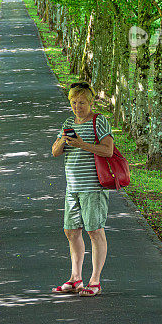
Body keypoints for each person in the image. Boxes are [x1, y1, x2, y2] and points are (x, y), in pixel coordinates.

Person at [51, 81, 113, 296]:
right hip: (73, 187)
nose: (78, 106)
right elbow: (55, 152)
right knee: (71, 231)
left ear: (91, 102)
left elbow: (108, 151)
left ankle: (94, 280)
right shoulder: (68, 122)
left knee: (94, 231)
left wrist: (82, 144)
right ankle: (75, 278)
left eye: (82, 102)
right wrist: (63, 141)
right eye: (74, 102)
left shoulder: (99, 121)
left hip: (94, 186)